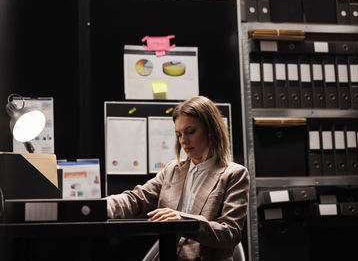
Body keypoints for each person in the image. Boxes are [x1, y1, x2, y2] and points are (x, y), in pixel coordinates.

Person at [106, 95, 250, 260]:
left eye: (190, 132)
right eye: (179, 134)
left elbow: (230, 233)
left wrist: (183, 220)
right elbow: (137, 199)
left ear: (212, 130)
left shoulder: (234, 174)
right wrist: (101, 206)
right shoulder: (172, 170)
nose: (183, 140)